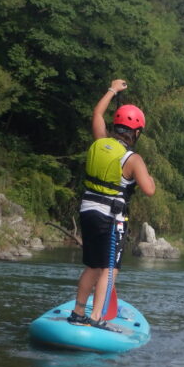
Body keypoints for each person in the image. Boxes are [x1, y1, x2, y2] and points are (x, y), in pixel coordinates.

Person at [68, 79, 156, 331]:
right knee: (110, 268)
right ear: (136, 133)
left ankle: (78, 312)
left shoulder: (98, 142)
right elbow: (148, 190)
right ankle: (96, 317)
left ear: (115, 126)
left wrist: (112, 90)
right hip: (112, 217)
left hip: (87, 210)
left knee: (93, 265)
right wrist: (148, 177)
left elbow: (97, 114)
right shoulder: (133, 158)